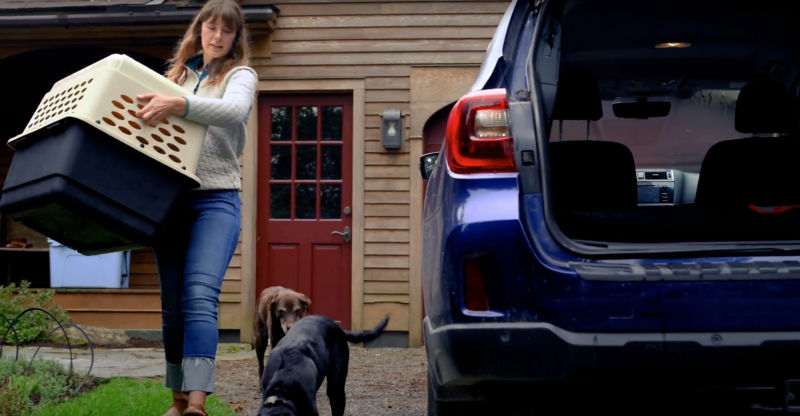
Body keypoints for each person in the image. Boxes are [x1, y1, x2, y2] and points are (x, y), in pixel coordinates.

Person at [135, 1, 258, 415]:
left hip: (216, 198)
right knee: (172, 303)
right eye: (211, 27)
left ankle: (198, 403)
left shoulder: (240, 76)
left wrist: (178, 105)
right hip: (170, 201)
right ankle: (176, 398)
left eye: (227, 30)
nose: (217, 36)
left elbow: (234, 112)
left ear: (236, 37)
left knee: (200, 295)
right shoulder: (179, 76)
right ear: (200, 29)